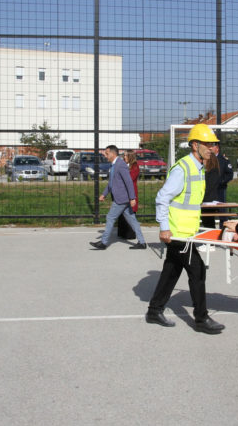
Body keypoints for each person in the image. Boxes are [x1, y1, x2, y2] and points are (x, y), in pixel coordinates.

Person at [146, 123, 225, 334]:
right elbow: (162, 197)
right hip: (178, 234)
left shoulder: (199, 167)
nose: (212, 149)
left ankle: (154, 310)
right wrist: (164, 228)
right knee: (198, 272)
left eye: (213, 145)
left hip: (186, 232)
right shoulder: (183, 168)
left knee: (171, 271)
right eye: (208, 145)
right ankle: (201, 319)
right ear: (195, 145)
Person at [91, 145, 146, 250]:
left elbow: (129, 182)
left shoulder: (120, 165)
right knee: (133, 220)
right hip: (123, 198)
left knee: (110, 217)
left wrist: (132, 198)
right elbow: (111, 183)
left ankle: (103, 242)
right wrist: (104, 194)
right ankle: (142, 242)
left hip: (122, 199)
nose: (106, 156)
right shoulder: (114, 164)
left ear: (112, 154)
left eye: (107, 154)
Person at [116, 150, 140, 240]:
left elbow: (129, 178)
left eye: (125, 156)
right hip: (122, 192)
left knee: (130, 212)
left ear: (130, 156)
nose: (124, 157)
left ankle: (130, 234)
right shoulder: (123, 165)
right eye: (123, 155)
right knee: (122, 212)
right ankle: (122, 233)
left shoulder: (134, 166)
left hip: (130, 192)